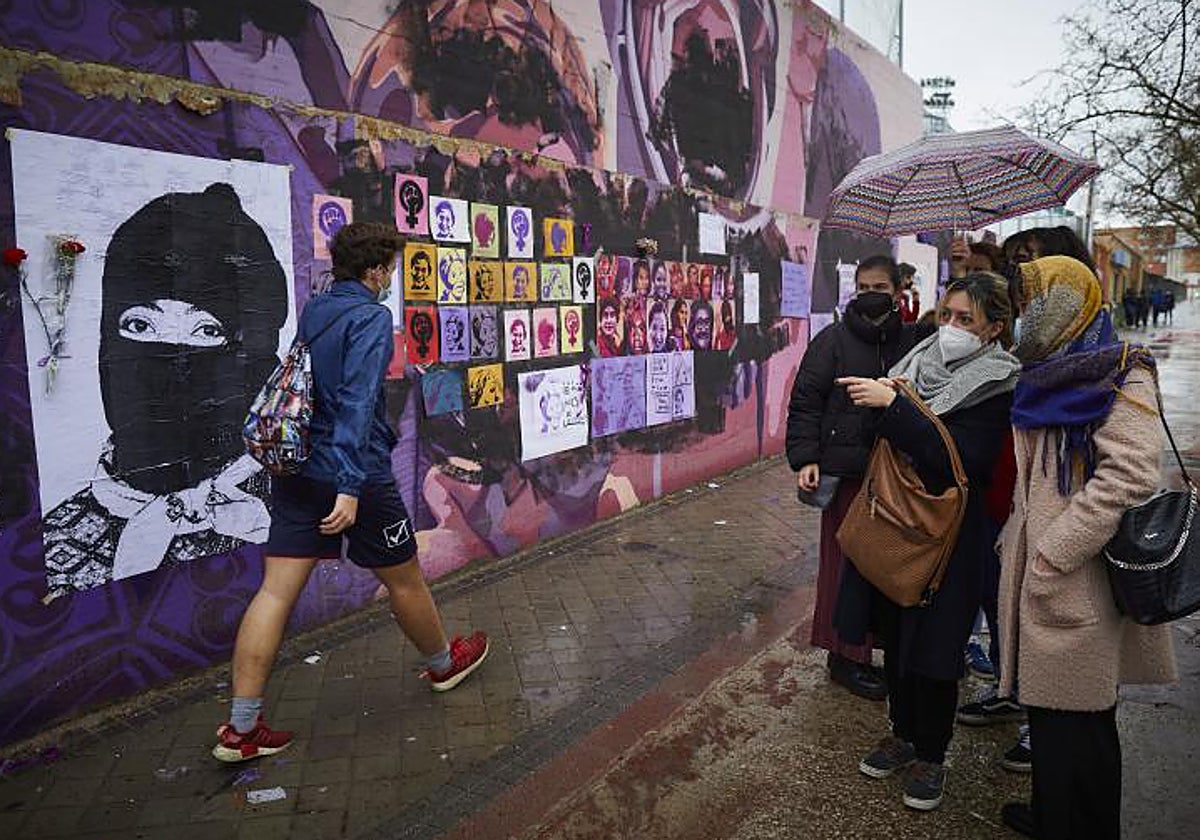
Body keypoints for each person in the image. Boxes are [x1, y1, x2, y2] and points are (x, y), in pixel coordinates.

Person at [215, 223, 489, 763]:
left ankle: (241, 729)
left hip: (297, 471)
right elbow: (358, 404)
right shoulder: (371, 316)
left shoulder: (317, 311)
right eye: (389, 268)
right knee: (405, 578)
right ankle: (442, 665)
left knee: (274, 593)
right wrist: (348, 486)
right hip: (355, 475)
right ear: (374, 270)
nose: (390, 278)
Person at [996, 256, 1176, 839]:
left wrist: (1054, 552)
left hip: (1081, 575)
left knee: (1084, 724)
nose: (1026, 317)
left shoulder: (1123, 373)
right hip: (1043, 570)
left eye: (1037, 302)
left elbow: (1129, 476)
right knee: (1052, 718)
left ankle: (1083, 826)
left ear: (1071, 303)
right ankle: (1053, 815)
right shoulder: (1048, 372)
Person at [840, 272, 1020, 810]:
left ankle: (932, 755)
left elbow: (963, 460)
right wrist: (884, 408)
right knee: (896, 634)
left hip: (951, 534)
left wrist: (896, 409)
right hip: (896, 520)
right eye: (946, 315)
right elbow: (874, 438)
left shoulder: (998, 384)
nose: (951, 328)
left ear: (994, 328)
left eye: (966, 319)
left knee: (936, 648)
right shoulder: (915, 364)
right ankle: (901, 731)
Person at [786, 255, 930, 701]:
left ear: (899, 290)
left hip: (898, 473)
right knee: (843, 564)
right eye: (864, 285)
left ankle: (878, 646)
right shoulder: (832, 340)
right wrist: (806, 458)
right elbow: (805, 401)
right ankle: (845, 655)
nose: (871, 294)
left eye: (881, 287)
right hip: (847, 474)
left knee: (886, 562)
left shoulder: (914, 341)